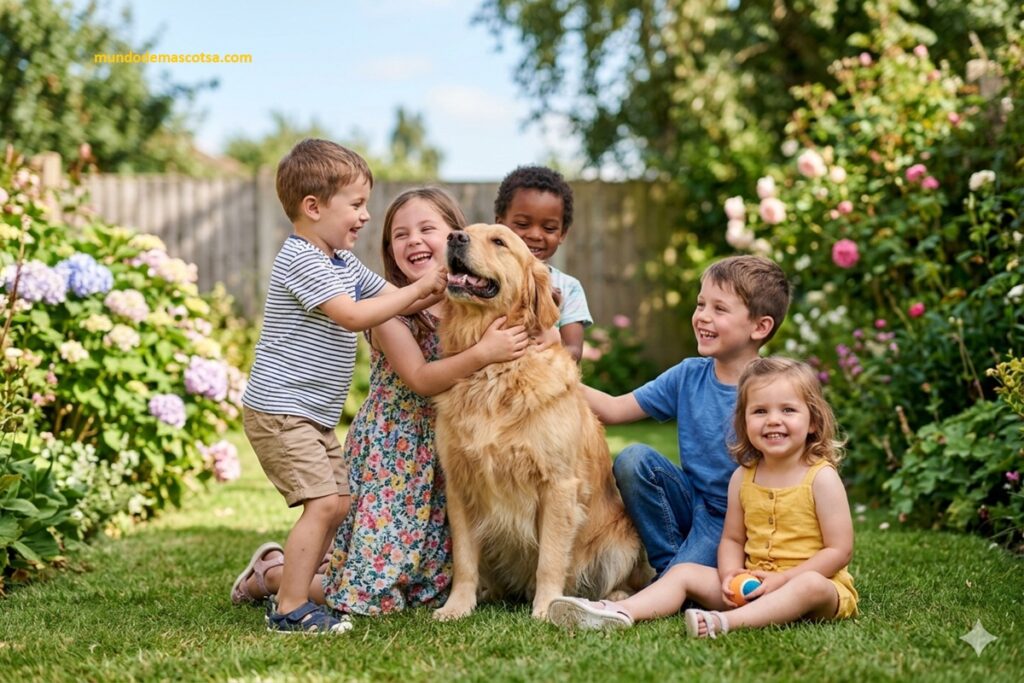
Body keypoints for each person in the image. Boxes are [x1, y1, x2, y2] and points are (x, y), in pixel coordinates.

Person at [232, 188, 531, 618]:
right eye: (400, 235)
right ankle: (273, 575)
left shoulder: (469, 303)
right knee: (374, 591)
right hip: (395, 455)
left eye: (429, 229)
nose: (414, 241)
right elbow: (422, 379)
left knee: (430, 587)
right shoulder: (385, 309)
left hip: (446, 454)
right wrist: (484, 352)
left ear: (458, 238)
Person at [235, 140, 446, 634]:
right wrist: (419, 289)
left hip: (310, 414)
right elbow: (354, 316)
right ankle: (288, 608)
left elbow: (395, 300)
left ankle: (279, 574)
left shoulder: (341, 263)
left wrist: (440, 288)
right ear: (313, 207)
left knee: (341, 503)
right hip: (281, 411)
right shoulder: (302, 258)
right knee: (324, 503)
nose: (365, 216)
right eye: (355, 204)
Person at [548, 356, 858, 636]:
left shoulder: (821, 478)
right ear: (744, 422)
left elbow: (839, 550)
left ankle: (726, 623)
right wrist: (730, 574)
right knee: (684, 573)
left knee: (810, 586)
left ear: (814, 422)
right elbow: (733, 540)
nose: (773, 420)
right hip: (753, 583)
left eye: (788, 410)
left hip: (815, 587)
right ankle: (618, 611)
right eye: (760, 411)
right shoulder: (743, 476)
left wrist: (785, 579)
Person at [583, 255, 791, 577]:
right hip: (690, 501)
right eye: (701, 304)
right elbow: (613, 409)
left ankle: (676, 579)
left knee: (686, 581)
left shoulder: (772, 388)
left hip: (735, 520)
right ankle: (670, 566)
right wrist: (552, 376)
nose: (703, 317)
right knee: (633, 459)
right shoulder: (688, 376)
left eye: (719, 309)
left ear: (759, 326)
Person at [494, 165, 592, 362]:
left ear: (562, 233)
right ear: (500, 225)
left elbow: (574, 352)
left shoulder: (569, 288)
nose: (535, 235)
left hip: (540, 385)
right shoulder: (486, 280)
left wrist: (555, 340)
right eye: (522, 224)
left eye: (548, 228)